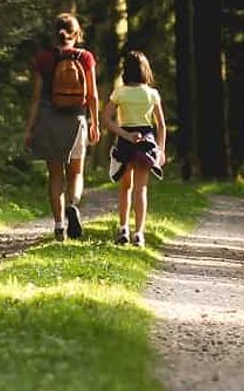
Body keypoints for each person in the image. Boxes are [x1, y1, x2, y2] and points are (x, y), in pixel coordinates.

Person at [23, 12, 100, 240]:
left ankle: (58, 226)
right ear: (77, 33)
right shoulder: (85, 57)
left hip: (48, 118)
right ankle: (73, 205)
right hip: (76, 118)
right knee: (76, 173)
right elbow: (93, 94)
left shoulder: (44, 59)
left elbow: (36, 97)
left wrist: (29, 129)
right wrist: (94, 123)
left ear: (55, 33)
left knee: (55, 175)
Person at [102, 50, 165, 247]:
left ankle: (123, 229)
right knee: (141, 189)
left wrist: (125, 135)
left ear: (125, 71)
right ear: (145, 70)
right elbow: (161, 125)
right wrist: (161, 150)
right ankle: (139, 233)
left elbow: (106, 119)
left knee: (125, 187)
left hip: (125, 141)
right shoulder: (152, 94)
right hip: (146, 142)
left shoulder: (120, 93)